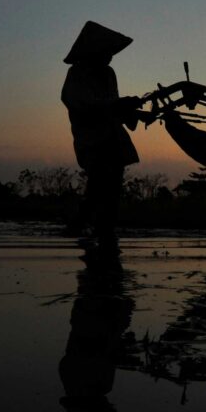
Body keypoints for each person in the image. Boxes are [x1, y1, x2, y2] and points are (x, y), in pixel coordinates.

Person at [61, 21, 143, 245]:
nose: (110, 57)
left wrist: (131, 112)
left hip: (113, 140)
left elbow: (113, 106)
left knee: (112, 189)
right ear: (93, 50)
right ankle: (84, 228)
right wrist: (119, 104)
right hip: (92, 140)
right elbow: (84, 104)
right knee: (98, 185)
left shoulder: (108, 73)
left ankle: (103, 230)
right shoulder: (76, 74)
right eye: (107, 52)